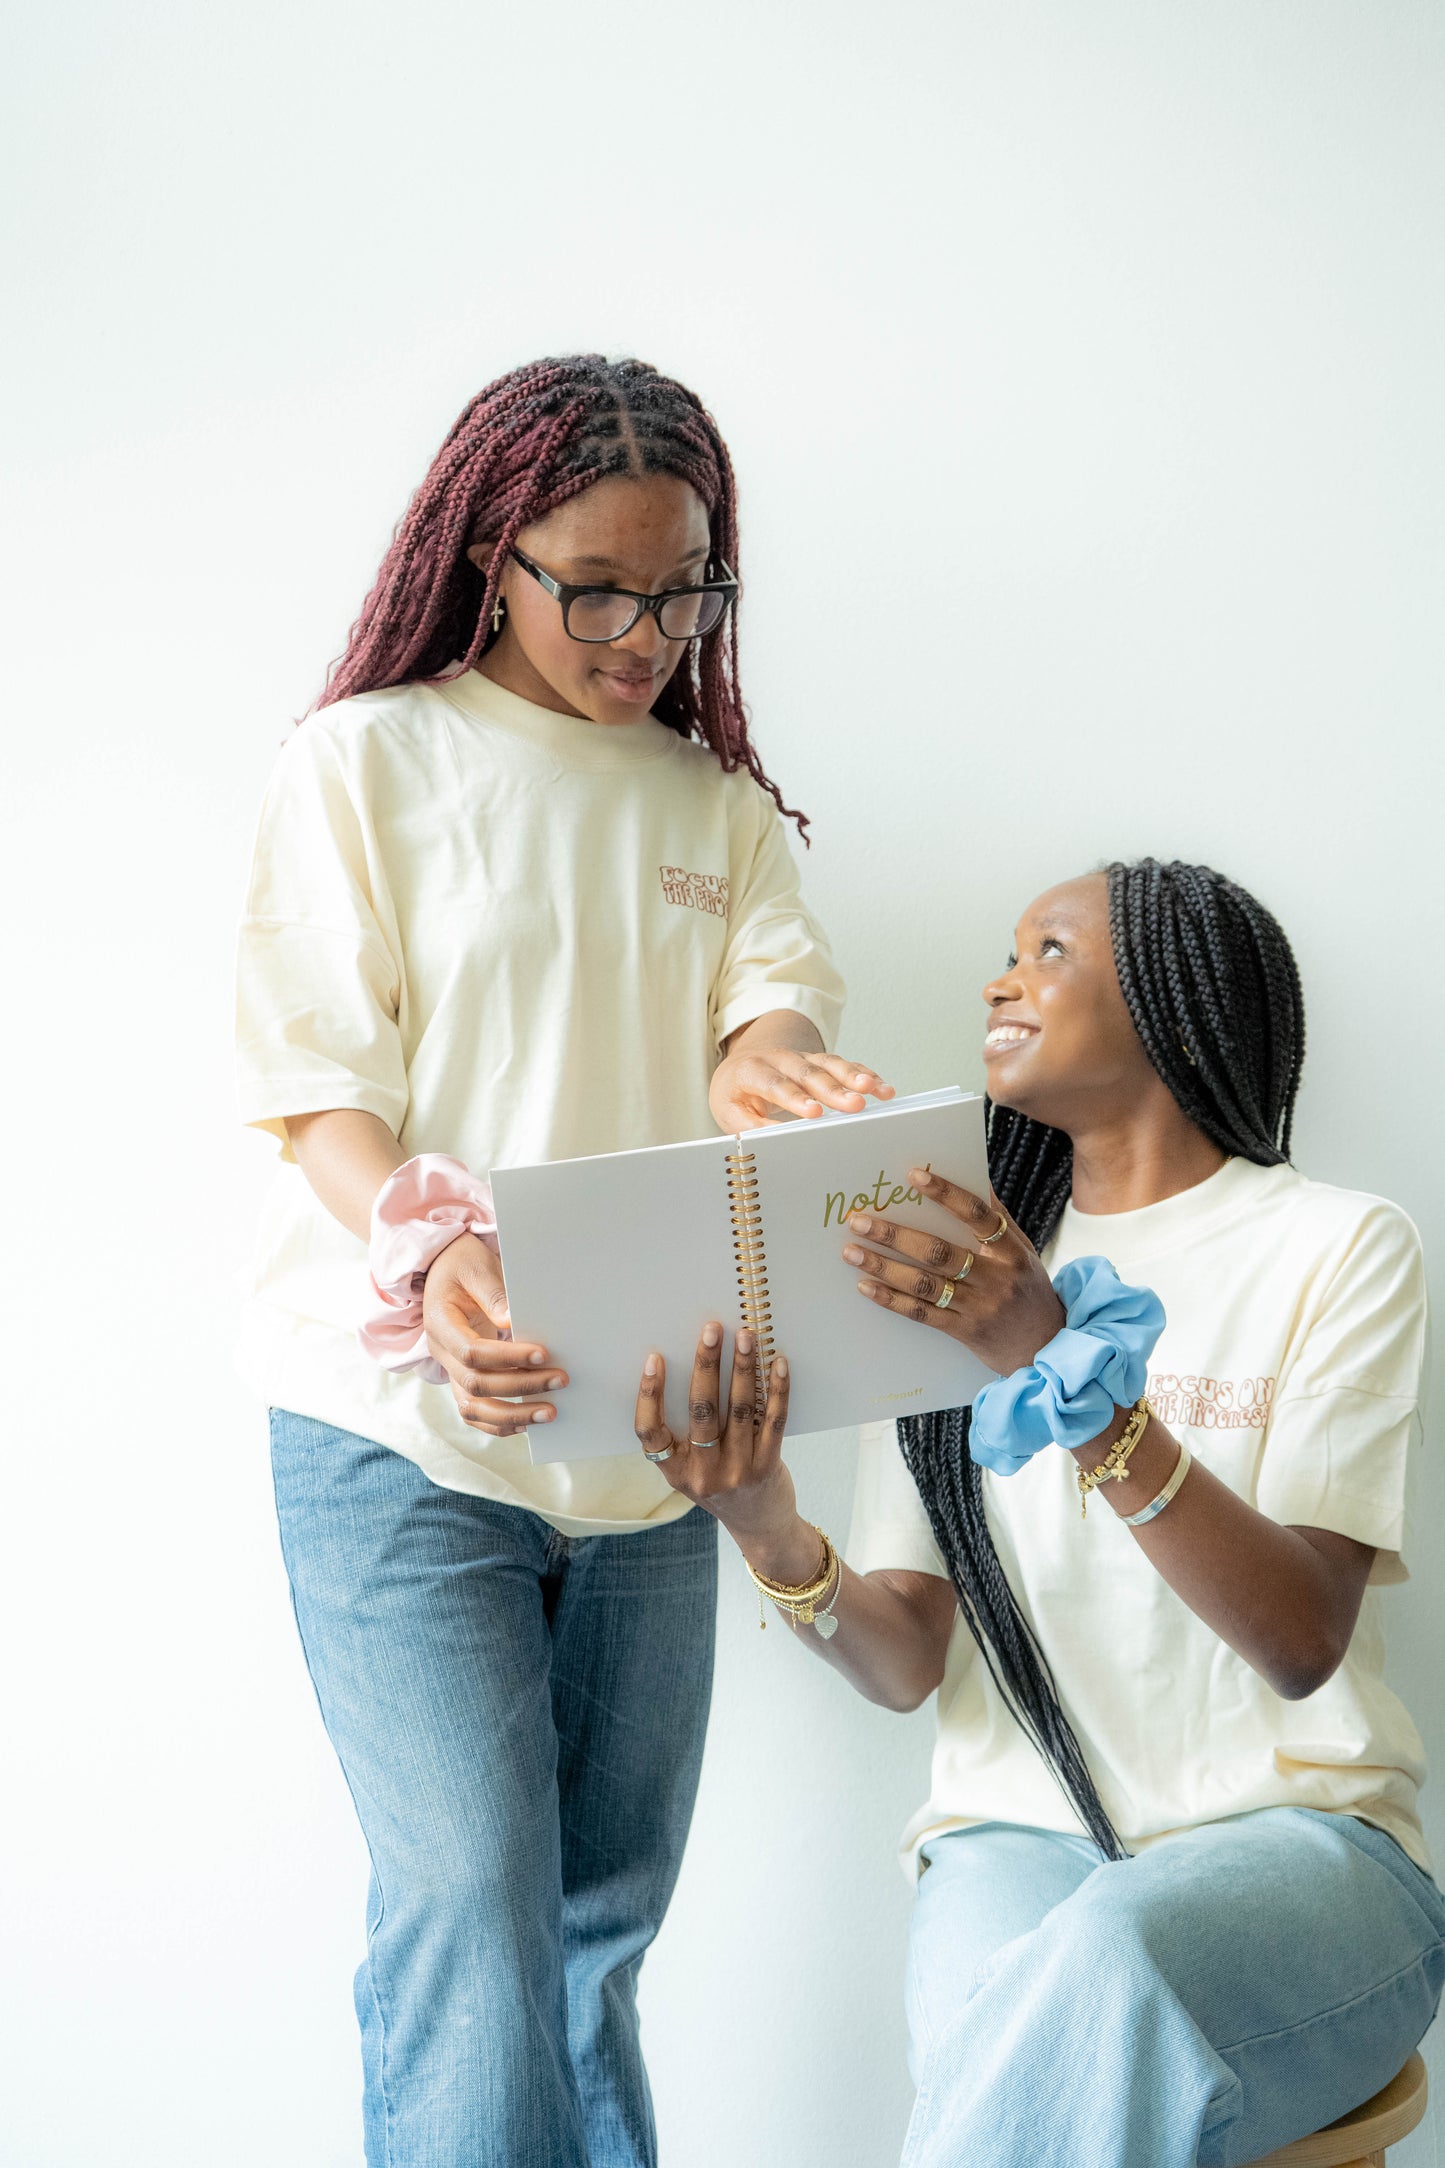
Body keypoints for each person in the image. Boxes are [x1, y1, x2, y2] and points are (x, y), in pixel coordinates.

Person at [234, 353, 890, 2168]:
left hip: (644, 1428)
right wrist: (437, 1262)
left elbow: (758, 1026)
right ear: (486, 554)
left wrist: (776, 1071)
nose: (643, 632)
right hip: (397, 1426)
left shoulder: (717, 813)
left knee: (598, 1927)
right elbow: (314, 1095)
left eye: (681, 590)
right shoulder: (368, 760)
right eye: (594, 587)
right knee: (467, 1902)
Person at [634, 858, 1442, 2168]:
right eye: (1008, 950)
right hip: (1013, 1837)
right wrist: (765, 1525)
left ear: (1177, 1001)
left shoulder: (1336, 1246)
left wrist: (1057, 1370)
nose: (1001, 977)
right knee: (1021, 2021)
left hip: (1306, 1851)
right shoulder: (951, 1269)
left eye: (1050, 950)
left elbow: (1299, 1640)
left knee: (1105, 1963)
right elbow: (904, 1658)